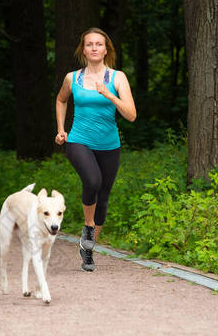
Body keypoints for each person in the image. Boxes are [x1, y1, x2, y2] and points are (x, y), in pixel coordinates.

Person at [55, 27, 136, 271]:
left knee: (103, 198)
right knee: (92, 181)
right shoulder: (72, 78)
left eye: (98, 44)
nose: (94, 48)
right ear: (83, 49)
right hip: (78, 140)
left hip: (109, 145)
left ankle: (87, 248)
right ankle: (89, 227)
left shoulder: (117, 77)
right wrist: (61, 129)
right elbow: (61, 100)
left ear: (106, 50)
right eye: (89, 44)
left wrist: (109, 95)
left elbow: (131, 115)